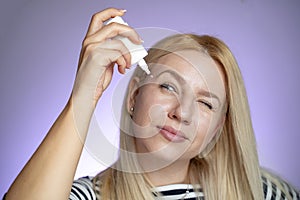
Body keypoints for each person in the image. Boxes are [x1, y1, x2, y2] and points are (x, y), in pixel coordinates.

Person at [4, 8, 299, 200]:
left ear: (218, 128)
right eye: (168, 86)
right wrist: (83, 97)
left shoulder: (261, 192)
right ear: (133, 97)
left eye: (206, 104)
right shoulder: (88, 196)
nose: (181, 113)